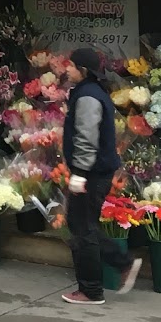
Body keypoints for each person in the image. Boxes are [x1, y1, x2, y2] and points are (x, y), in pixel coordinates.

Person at [60, 46, 140, 305]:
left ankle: (92, 290)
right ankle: (120, 264)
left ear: (83, 70)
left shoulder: (88, 96)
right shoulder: (90, 92)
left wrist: (80, 173)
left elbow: (86, 137)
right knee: (81, 225)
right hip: (95, 171)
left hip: (92, 173)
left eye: (71, 66)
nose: (67, 70)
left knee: (83, 229)